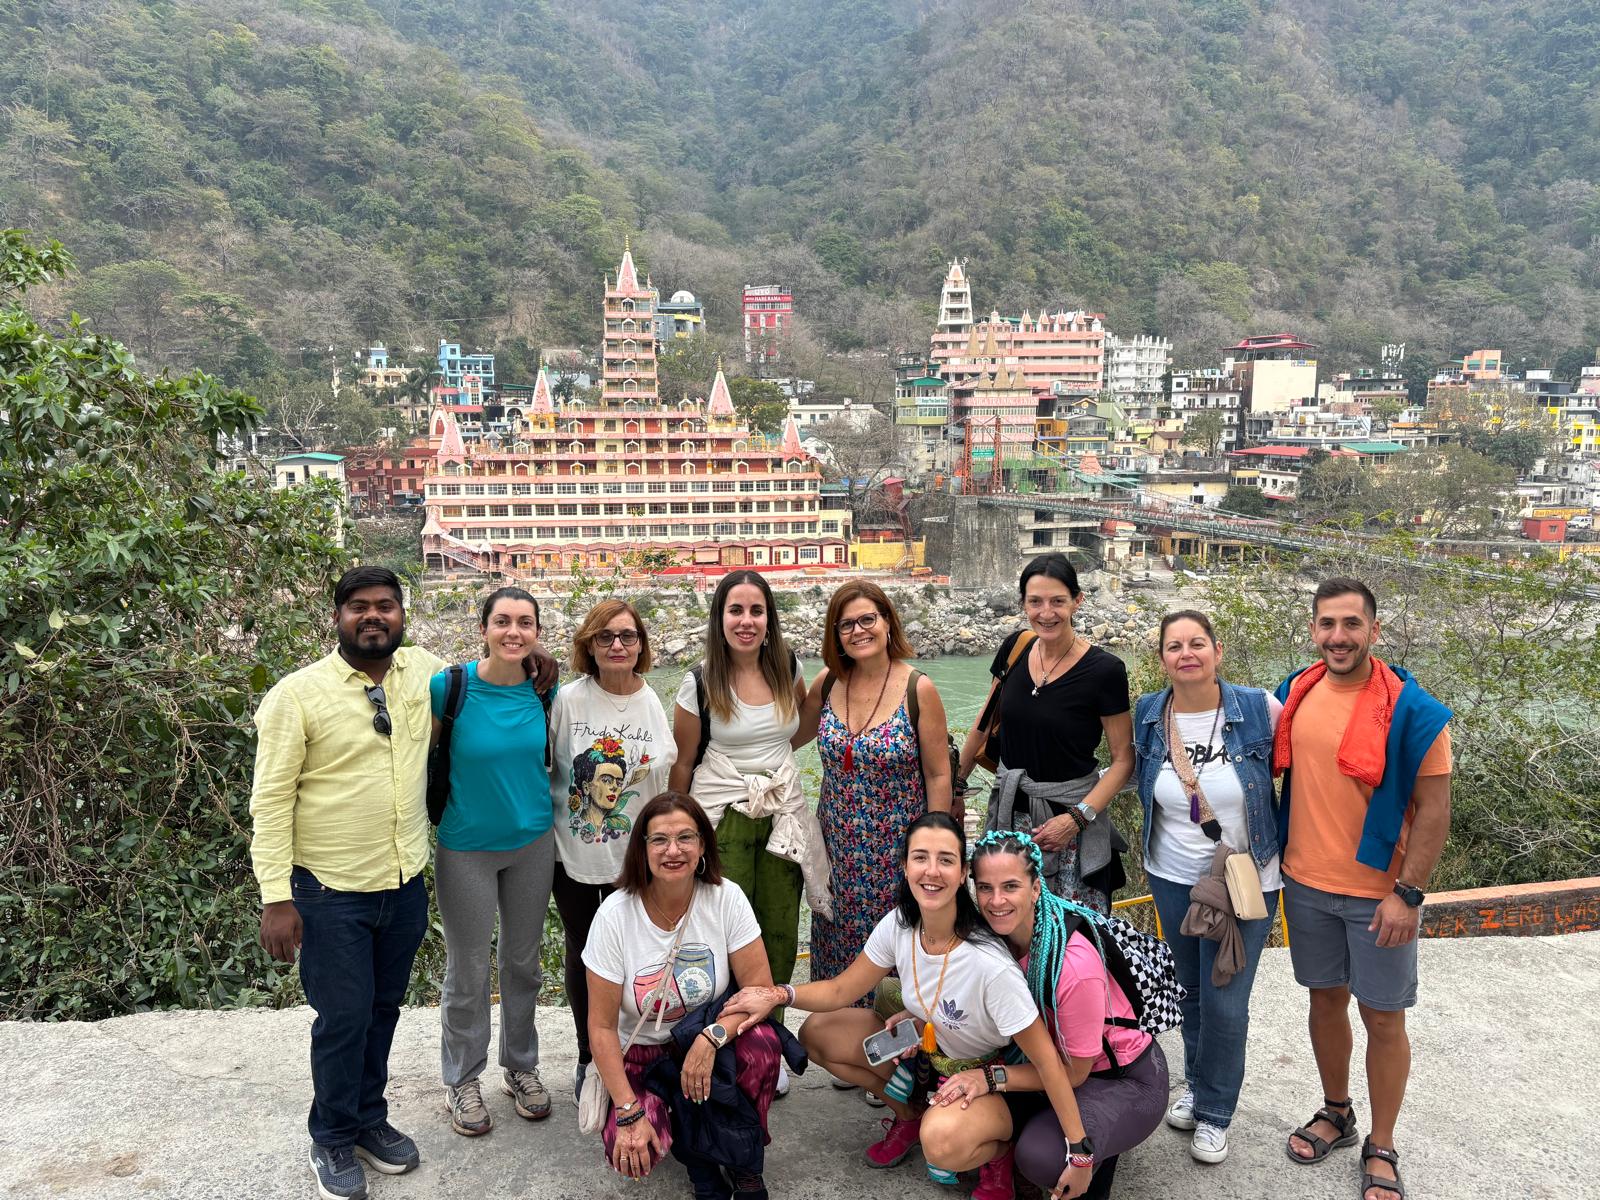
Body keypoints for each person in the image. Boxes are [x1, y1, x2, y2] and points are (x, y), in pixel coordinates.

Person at [249, 567, 555, 1200]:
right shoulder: (296, 695)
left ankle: (367, 1120)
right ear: (337, 616)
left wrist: (534, 655)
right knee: (343, 1017)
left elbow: (495, 662)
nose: (373, 617)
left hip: (403, 880)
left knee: (382, 1010)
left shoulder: (422, 673)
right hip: (328, 887)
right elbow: (272, 801)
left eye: (385, 606)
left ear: (400, 615)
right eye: (359, 607)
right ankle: (332, 1137)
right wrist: (275, 896)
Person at [723, 813, 1099, 1200]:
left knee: (941, 1140)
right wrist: (776, 995)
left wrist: (1080, 1152)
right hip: (931, 1058)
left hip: (994, 1080)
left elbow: (1049, 1064)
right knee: (818, 1033)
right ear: (904, 866)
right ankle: (909, 1115)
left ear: (963, 871)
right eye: (920, 857)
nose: (931, 871)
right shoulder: (901, 925)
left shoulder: (989, 963)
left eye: (946, 859)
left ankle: (998, 1154)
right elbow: (839, 990)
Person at [1278, 578, 1452, 1200]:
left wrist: (1408, 894)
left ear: (1374, 631)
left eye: (1351, 624)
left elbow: (1434, 810)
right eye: (1327, 624)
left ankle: (1383, 1141)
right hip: (1303, 882)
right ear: (1313, 630)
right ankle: (1336, 1109)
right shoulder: (1294, 693)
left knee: (1383, 1016)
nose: (1338, 637)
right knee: (1324, 1001)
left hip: (1378, 893)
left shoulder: (1413, 709)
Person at [583, 792, 801, 1200]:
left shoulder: (725, 898)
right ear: (641, 849)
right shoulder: (615, 915)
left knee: (764, 1047)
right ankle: (697, 1156)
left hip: (708, 1039)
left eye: (686, 837)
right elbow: (600, 1027)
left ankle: (743, 1161)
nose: (673, 850)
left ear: (703, 845)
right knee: (634, 1152)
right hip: (643, 1054)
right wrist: (629, 1114)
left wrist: (712, 1036)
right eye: (659, 840)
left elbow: (759, 993)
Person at [1133, 610, 1283, 1164]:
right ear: (1163, 659)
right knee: (1189, 991)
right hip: (1172, 875)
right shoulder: (1149, 714)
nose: (1187, 653)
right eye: (1175, 646)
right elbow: (1131, 777)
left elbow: (1309, 767)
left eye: (1198, 643)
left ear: (1218, 651)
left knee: (1225, 999)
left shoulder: (1257, 709)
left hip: (1245, 879)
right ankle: (1197, 1087)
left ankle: (1217, 1111)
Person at [670, 570, 827, 1097]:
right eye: (735, 610)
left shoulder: (786, 666)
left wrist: (770, 766)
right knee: (726, 930)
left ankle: (772, 1039)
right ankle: (722, 1039)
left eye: (756, 611)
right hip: (722, 813)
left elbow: (799, 730)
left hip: (782, 807)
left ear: (769, 619)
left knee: (781, 924)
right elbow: (684, 761)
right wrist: (679, 833)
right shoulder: (698, 683)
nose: (746, 621)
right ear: (720, 618)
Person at [968, 830, 1169, 1199]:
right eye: (985, 888)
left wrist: (990, 1078)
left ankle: (1098, 1149)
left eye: (1010, 886)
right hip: (1056, 1062)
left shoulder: (1072, 966)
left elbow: (1075, 1072)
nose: (996, 901)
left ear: (1034, 888)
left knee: (1042, 1156)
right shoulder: (999, 938)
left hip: (1121, 1078)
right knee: (968, 1126)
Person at [428, 587, 558, 1136]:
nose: (513, 632)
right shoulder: (449, 688)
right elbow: (423, 758)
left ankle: (521, 1068)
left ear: (536, 632)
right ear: (483, 627)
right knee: (468, 970)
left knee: (523, 965)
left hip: (533, 843)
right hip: (466, 848)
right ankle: (462, 1078)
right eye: (502, 621)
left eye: (524, 623)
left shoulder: (546, 691)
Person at [795, 580, 952, 991]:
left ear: (887, 623)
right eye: (846, 625)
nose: (858, 631)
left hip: (895, 855)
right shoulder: (828, 683)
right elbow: (786, 737)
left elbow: (938, 774)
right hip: (837, 853)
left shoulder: (919, 689)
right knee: (836, 957)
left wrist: (934, 850)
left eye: (868, 619)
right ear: (835, 635)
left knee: (897, 959)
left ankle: (902, 1051)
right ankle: (836, 1048)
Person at [956, 553, 1134, 913]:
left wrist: (1076, 819)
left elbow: (1123, 759)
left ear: (1077, 601)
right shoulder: (1016, 648)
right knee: (1009, 920)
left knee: (1069, 933)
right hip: (1011, 814)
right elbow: (983, 725)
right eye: (1035, 601)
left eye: (1058, 601)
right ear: (1023, 603)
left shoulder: (1105, 671)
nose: (1046, 613)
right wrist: (954, 789)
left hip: (1070, 817)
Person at [550, 599, 676, 1102]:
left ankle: (642, 1048)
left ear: (641, 644)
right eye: (605, 637)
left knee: (643, 954)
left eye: (627, 636)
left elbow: (664, 776)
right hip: (576, 855)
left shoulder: (650, 701)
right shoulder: (569, 700)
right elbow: (548, 772)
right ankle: (589, 1056)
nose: (617, 645)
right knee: (584, 957)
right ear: (589, 646)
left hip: (636, 857)